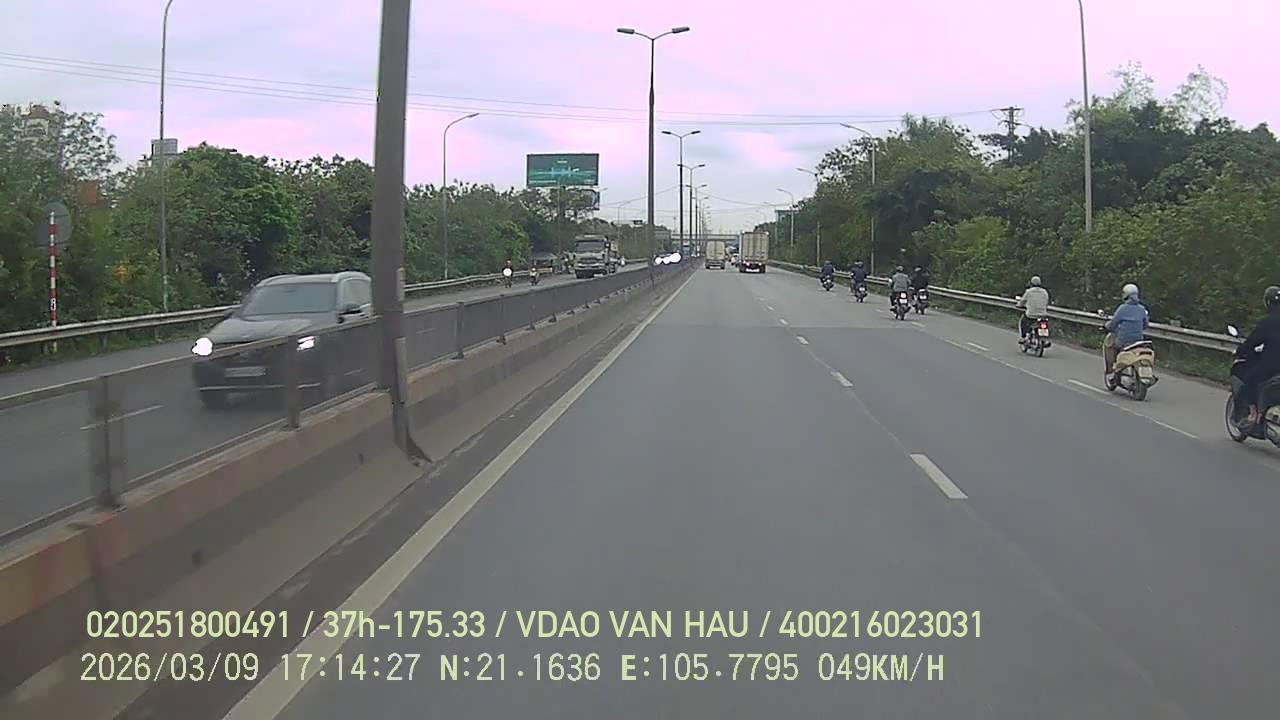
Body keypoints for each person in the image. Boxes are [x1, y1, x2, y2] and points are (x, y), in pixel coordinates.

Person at [1231, 285, 1280, 424]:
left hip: (1272, 365)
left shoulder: (1267, 322)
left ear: (1267, 302)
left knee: (1250, 380)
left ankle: (1253, 413)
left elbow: (1252, 341)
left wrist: (1240, 351)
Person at [1103, 283, 1149, 376]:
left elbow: (1113, 324)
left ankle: (1110, 369)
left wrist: (1106, 326)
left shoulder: (1122, 308)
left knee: (1108, 345)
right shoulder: (1142, 309)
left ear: (1125, 295)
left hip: (1123, 341)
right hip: (1138, 341)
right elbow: (1145, 325)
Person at [1015, 276, 1050, 341]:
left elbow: (1022, 301)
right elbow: (1046, 302)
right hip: (1043, 314)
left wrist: (1019, 305)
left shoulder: (1028, 291)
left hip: (1031, 315)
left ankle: (1023, 337)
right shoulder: (1044, 292)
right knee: (1043, 324)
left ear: (1031, 283)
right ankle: (1044, 339)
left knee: (1023, 321)